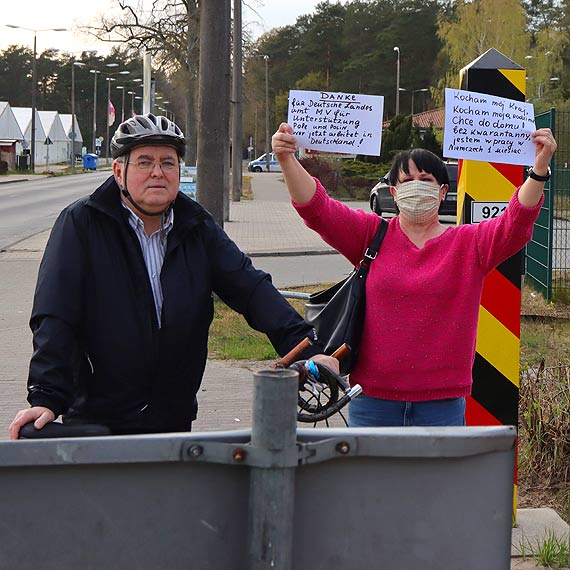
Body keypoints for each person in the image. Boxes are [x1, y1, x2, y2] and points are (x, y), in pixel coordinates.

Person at [9, 113, 332, 439]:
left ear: (180, 172)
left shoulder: (197, 227)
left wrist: (307, 348)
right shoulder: (81, 224)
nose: (157, 173)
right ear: (119, 171)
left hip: (172, 417)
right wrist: (46, 397)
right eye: (144, 162)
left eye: (168, 163)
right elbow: (55, 315)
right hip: (97, 419)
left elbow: (250, 288)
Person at [272, 122, 557, 427]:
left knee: (436, 478)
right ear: (394, 192)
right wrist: (287, 159)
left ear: (442, 189)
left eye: (426, 179)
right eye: (407, 180)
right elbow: (318, 209)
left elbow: (515, 223)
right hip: (372, 402)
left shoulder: (469, 244)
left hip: (442, 406)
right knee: (370, 477)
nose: (416, 185)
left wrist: (539, 169)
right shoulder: (370, 235)